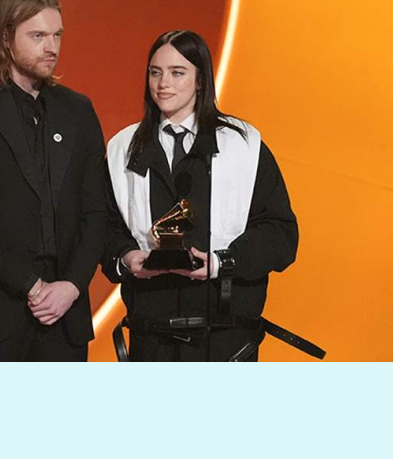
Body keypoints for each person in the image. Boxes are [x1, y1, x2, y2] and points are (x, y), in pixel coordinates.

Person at [103, 30, 299, 361]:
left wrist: (222, 262)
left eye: (177, 72)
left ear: (200, 80)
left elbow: (280, 234)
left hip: (224, 338)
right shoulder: (122, 148)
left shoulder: (243, 146)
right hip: (150, 337)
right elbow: (104, 226)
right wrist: (125, 257)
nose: (163, 83)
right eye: (155, 72)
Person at [0, 0, 106, 361]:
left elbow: (96, 211)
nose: (52, 47)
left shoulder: (78, 111)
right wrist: (32, 286)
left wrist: (72, 286)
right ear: (5, 37)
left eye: (57, 35)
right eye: (38, 36)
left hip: (64, 315)